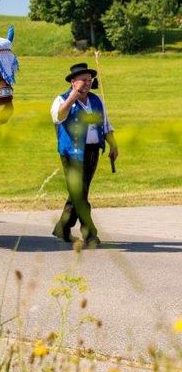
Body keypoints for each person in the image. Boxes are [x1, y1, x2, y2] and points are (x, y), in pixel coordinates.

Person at [51, 62, 119, 247]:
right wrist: (73, 96)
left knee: (79, 193)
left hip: (91, 152)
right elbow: (59, 116)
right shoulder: (61, 99)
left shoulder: (96, 101)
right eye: (83, 80)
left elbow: (105, 125)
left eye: (90, 80)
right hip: (71, 153)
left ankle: (62, 228)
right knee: (79, 194)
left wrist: (112, 144)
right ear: (73, 82)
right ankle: (90, 234)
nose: (87, 83)